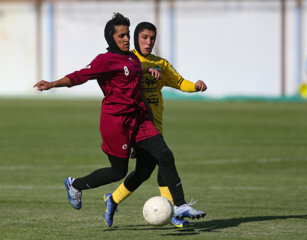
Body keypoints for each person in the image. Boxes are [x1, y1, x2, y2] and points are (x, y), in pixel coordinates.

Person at [33, 13, 205, 227]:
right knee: (118, 172)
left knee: (165, 156)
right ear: (111, 37)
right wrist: (52, 83)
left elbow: (140, 84)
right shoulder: (105, 61)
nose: (126, 39)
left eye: (127, 35)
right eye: (122, 35)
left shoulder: (133, 59)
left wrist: (149, 115)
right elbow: (79, 76)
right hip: (115, 123)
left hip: (139, 119)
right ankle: (75, 184)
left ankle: (179, 205)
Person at [106, 22, 207, 228]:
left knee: (144, 172)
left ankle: (113, 200)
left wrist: (195, 86)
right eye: (144, 37)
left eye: (152, 38)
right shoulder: (128, 60)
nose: (148, 42)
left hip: (155, 125)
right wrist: (143, 71)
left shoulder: (161, 64)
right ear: (135, 38)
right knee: (164, 158)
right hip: (136, 126)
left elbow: (179, 82)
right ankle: (177, 208)